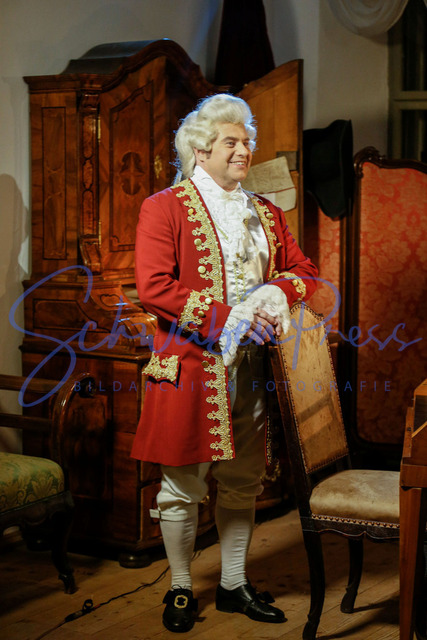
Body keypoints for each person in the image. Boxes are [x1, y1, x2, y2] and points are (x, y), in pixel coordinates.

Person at [131, 93, 318, 633]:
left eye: (247, 141)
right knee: (181, 487)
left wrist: (272, 296)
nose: (244, 150)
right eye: (232, 141)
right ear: (201, 149)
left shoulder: (265, 212)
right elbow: (154, 287)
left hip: (254, 371)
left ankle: (234, 584)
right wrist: (231, 318)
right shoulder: (163, 207)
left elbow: (304, 271)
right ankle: (181, 588)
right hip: (191, 367)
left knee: (242, 481)